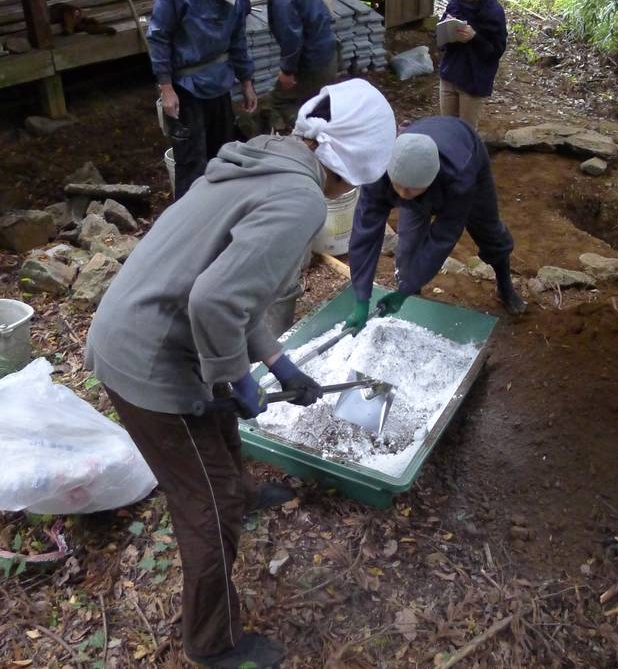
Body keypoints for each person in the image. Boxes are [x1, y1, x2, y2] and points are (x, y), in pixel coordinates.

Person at [84, 80, 396, 668]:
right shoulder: (301, 201)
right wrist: (234, 377)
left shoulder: (259, 159)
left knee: (222, 445)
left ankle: (243, 491)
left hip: (133, 328)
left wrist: (278, 363)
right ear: (356, 168)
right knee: (209, 511)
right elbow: (214, 303)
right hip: (151, 362)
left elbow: (227, 291)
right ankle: (212, 642)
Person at [344, 115, 526, 333]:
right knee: (409, 242)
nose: (403, 195)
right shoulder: (378, 175)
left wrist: (406, 289)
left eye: (411, 190)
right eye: (398, 187)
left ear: (430, 180)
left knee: (489, 232)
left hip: (466, 148)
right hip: (418, 154)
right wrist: (361, 297)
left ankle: (504, 285)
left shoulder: (459, 178)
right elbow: (365, 234)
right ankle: (412, 295)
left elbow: (443, 236)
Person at [148, 0, 258, 200]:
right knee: (191, 165)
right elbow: (159, 36)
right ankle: (189, 224)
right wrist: (166, 88)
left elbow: (238, 38)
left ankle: (219, 215)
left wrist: (246, 81)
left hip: (219, 84)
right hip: (186, 89)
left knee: (223, 157)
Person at [244, 0, 338, 132]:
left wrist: (287, 71)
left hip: (313, 62)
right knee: (314, 102)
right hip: (327, 54)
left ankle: (305, 136)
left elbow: (291, 36)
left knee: (278, 102)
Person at [437, 0, 507, 130]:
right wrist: (448, 32)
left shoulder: (493, 12)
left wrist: (474, 38)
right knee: (447, 129)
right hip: (450, 75)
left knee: (466, 133)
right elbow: (440, 42)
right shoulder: (455, 4)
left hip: (473, 80)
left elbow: (496, 51)